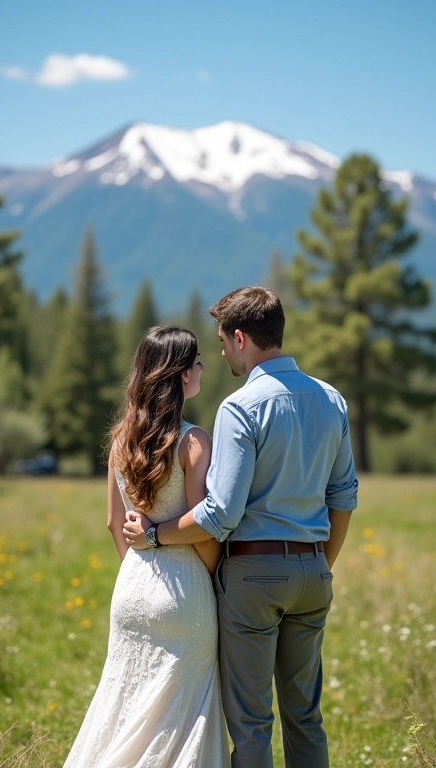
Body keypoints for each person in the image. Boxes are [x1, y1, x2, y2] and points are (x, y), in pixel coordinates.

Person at [124, 287, 358, 768]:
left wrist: (153, 534)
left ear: (240, 338)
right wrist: (319, 565)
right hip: (314, 570)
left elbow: (220, 514)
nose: (223, 354)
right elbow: (344, 496)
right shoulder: (331, 400)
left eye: (224, 344)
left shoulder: (240, 408)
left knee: (252, 725)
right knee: (306, 718)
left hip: (253, 575)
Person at [63, 325, 230, 768]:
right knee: (180, 717)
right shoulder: (194, 441)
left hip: (133, 584)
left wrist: (140, 565)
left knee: (123, 706)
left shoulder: (121, 440)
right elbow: (206, 527)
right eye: (195, 361)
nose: (202, 366)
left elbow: (114, 523)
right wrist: (211, 579)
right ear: (178, 375)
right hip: (184, 591)